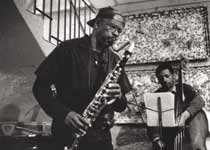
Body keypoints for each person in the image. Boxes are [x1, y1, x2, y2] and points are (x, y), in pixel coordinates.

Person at [32, 7, 131, 150]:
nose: (116, 34)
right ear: (97, 24)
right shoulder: (67, 49)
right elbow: (40, 88)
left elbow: (121, 106)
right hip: (67, 133)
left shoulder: (115, 60)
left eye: (119, 31)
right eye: (113, 27)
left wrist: (119, 96)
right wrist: (64, 114)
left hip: (101, 137)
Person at [147, 62, 208, 150]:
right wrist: (156, 138)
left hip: (189, 135)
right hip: (169, 138)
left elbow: (199, 101)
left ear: (173, 76)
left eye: (167, 76)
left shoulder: (185, 89)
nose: (164, 80)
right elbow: (152, 123)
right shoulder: (156, 96)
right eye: (161, 78)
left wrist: (185, 115)